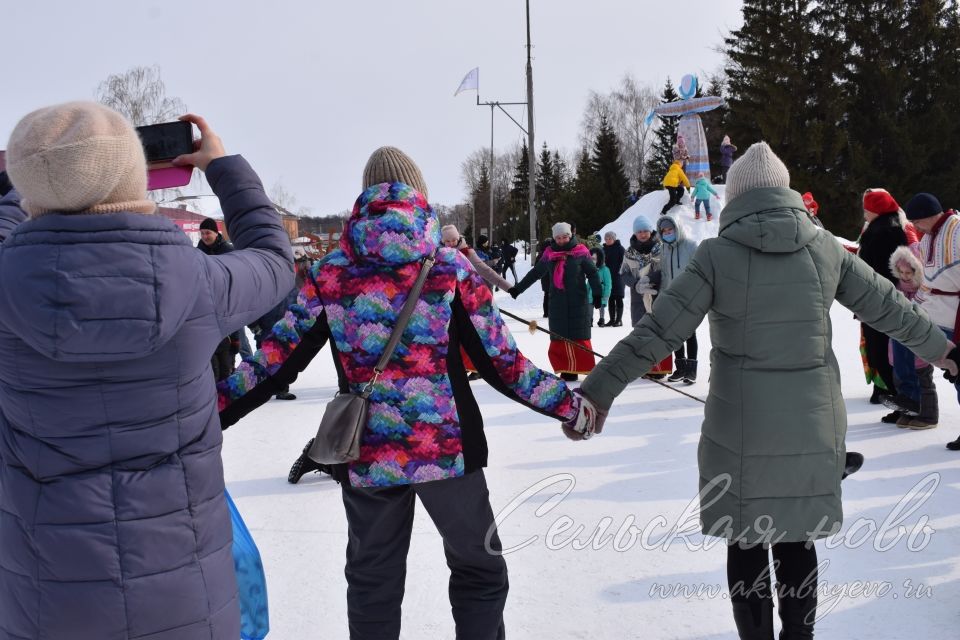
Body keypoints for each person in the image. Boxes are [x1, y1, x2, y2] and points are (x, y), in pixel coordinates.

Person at [573, 142, 958, 640]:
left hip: (740, 430)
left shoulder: (716, 256)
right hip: (811, 424)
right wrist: (947, 352)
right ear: (786, 192)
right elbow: (890, 307)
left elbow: (657, 332)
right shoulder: (824, 248)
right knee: (797, 540)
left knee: (747, 542)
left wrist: (598, 392)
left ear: (735, 199)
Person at [217, 146, 587, 639]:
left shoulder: (331, 273)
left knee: (373, 582)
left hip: (367, 453)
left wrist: (199, 413)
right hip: (448, 452)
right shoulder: (449, 269)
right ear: (421, 196)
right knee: (479, 570)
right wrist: (570, 406)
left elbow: (272, 362)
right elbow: (504, 365)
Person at [0, 103, 295, 639]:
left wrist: (21, 198)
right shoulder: (200, 281)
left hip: (45, 598)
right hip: (187, 591)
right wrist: (222, 167)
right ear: (133, 173)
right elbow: (275, 261)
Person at [510, 222, 602, 381]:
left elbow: (593, 274)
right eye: (558, 238)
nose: (561, 240)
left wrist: (598, 294)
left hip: (578, 300)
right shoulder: (549, 254)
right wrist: (518, 289)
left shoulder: (580, 252)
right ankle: (567, 368)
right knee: (559, 335)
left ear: (570, 235)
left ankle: (584, 366)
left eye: (564, 237)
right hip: (557, 302)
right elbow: (535, 273)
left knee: (579, 334)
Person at [905, 193, 960, 449]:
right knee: (956, 375)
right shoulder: (927, 239)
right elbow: (928, 280)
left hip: (957, 314)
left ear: (928, 216)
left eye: (917, 220)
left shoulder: (957, 229)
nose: (915, 226)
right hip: (940, 318)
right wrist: (916, 306)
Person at [858, 188, 909, 412]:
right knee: (877, 347)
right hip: (875, 298)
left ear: (876, 210)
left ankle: (894, 392)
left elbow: (879, 268)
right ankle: (889, 391)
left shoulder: (887, 232)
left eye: (867, 209)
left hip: (880, 299)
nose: (864, 214)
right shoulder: (882, 228)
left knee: (881, 348)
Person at [885, 246, 939, 429]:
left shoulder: (923, 290)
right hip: (899, 344)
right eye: (901, 272)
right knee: (902, 380)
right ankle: (909, 411)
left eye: (909, 272)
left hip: (918, 345)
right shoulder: (897, 288)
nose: (905, 276)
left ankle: (929, 415)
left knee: (924, 381)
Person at [620, 216, 672, 377]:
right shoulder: (629, 252)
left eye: (645, 231)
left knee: (659, 333)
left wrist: (651, 280)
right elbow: (623, 273)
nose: (642, 234)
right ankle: (644, 368)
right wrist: (635, 284)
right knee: (641, 333)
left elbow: (665, 270)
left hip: (658, 296)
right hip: (638, 299)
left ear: (651, 231)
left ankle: (660, 368)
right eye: (639, 231)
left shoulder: (661, 248)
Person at [657, 214, 700, 384]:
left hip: (689, 297)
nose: (668, 233)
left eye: (670, 229)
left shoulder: (690, 246)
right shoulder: (663, 249)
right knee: (674, 334)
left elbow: (699, 271)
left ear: (677, 229)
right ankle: (680, 367)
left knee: (689, 333)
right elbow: (664, 275)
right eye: (664, 230)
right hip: (671, 298)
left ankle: (691, 370)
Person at [602, 231, 626, 327]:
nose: (608, 240)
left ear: (614, 239)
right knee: (610, 298)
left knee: (618, 297)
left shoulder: (620, 249)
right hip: (607, 277)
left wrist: (619, 270)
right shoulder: (603, 249)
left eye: (609, 238)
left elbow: (624, 262)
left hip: (618, 277)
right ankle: (612, 319)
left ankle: (619, 320)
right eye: (606, 239)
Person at [589, 247, 612, 326]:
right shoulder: (590, 269)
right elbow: (588, 282)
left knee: (601, 306)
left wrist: (606, 294)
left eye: (595, 259)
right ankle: (590, 320)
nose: (593, 261)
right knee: (590, 306)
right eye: (591, 258)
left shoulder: (605, 269)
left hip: (601, 292)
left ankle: (601, 319)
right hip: (590, 293)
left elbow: (608, 283)